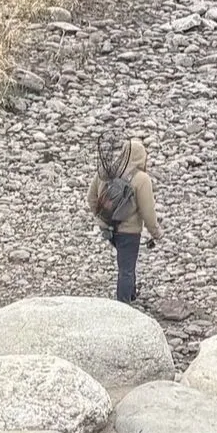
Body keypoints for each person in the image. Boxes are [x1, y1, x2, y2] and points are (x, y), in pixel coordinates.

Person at [86, 130, 161, 304]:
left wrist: (102, 218)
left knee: (125, 262)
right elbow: (147, 211)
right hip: (129, 232)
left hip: (108, 228)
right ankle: (124, 305)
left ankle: (132, 294)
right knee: (126, 269)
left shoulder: (107, 171)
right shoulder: (142, 179)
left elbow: (91, 198)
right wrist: (156, 232)